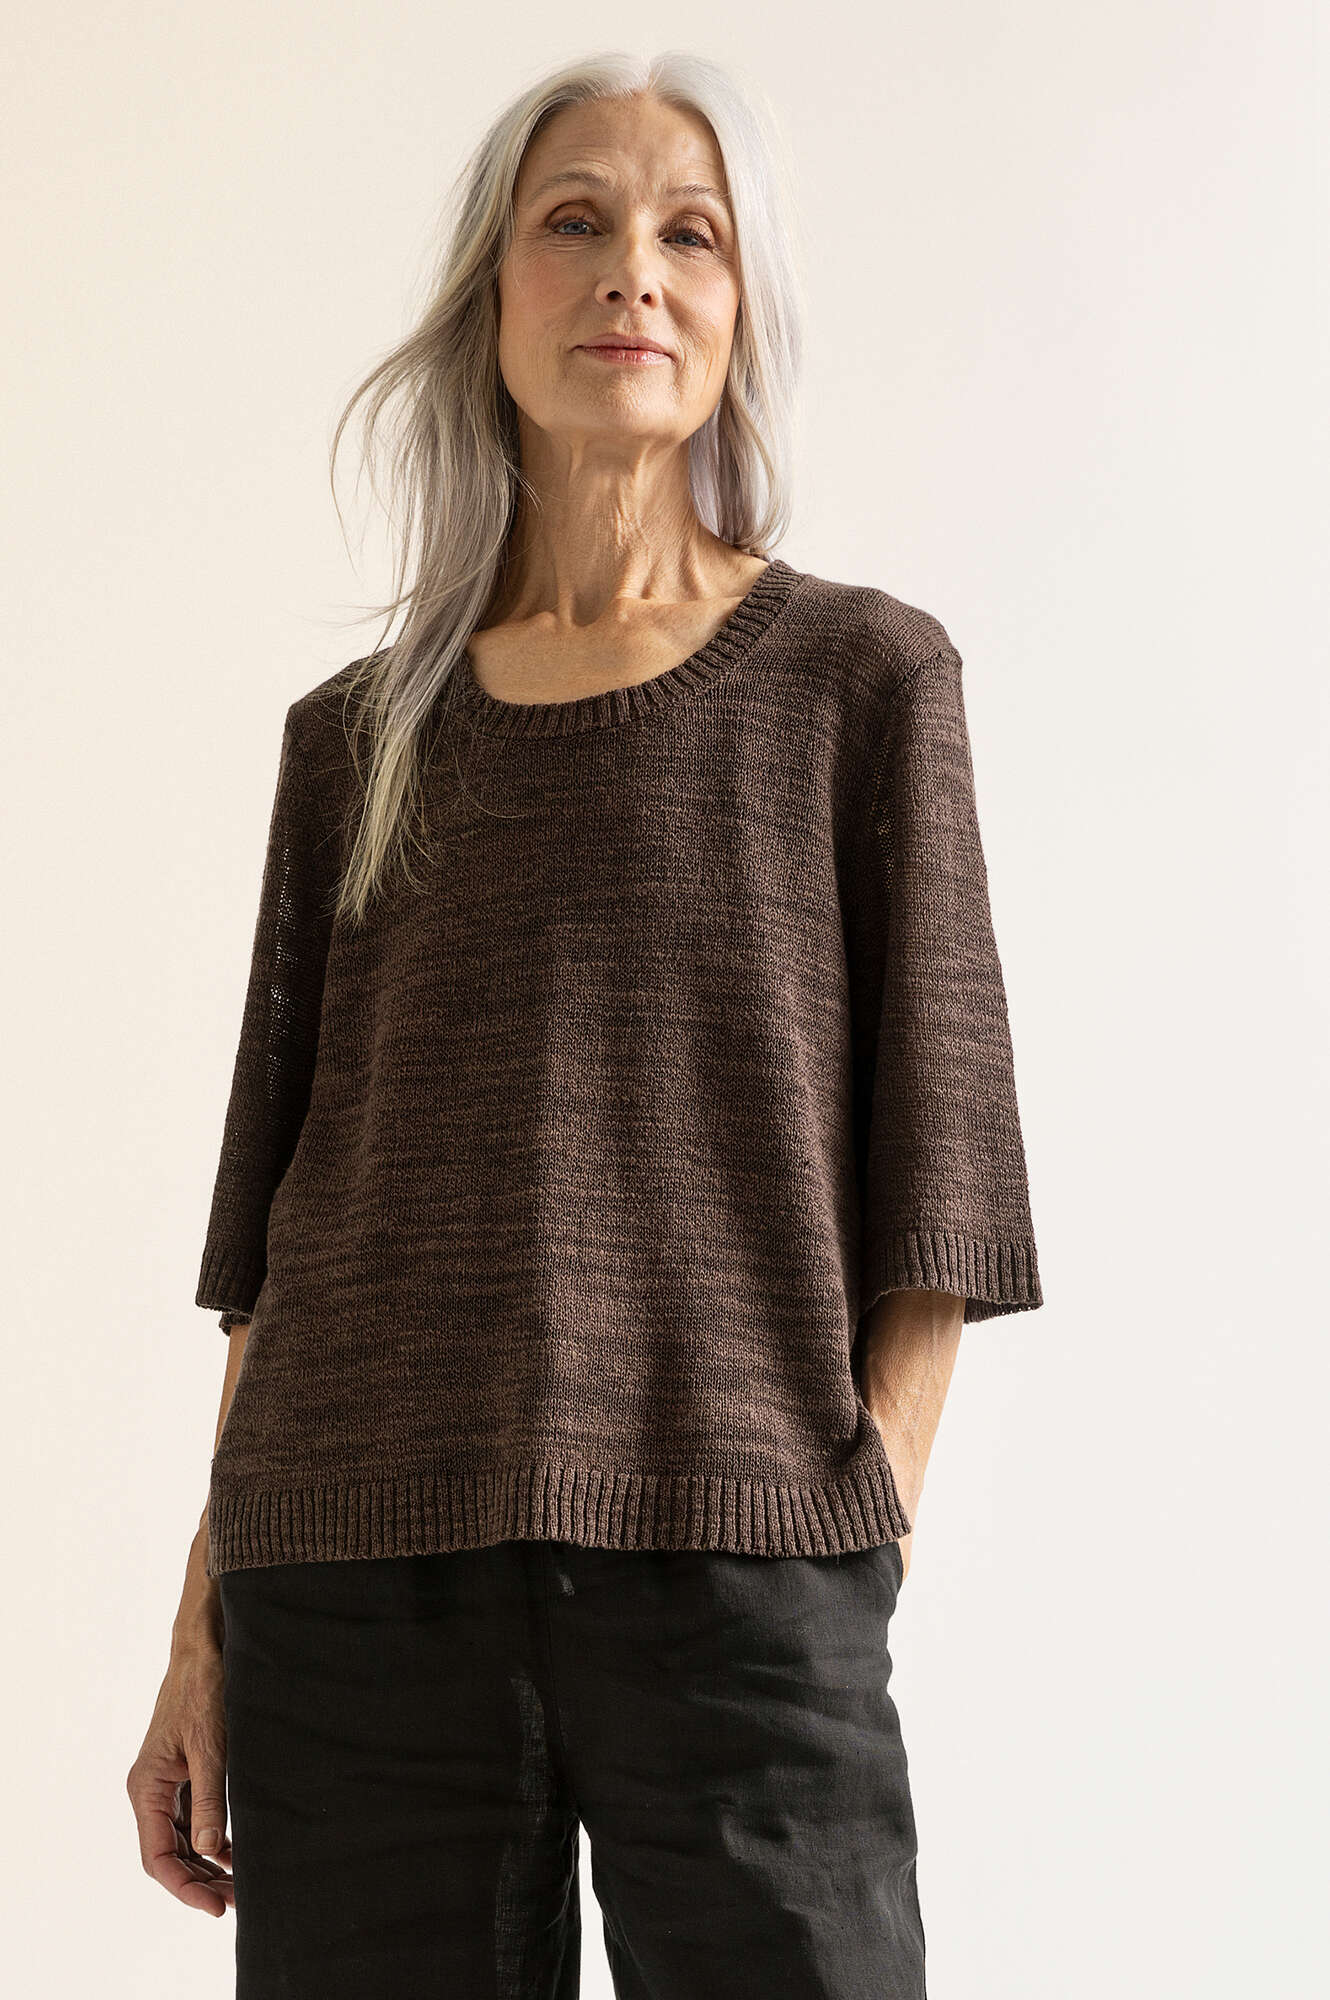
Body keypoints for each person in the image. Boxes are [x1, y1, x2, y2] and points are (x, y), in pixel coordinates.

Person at [127, 49, 1043, 1999]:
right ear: (492, 297)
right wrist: (201, 1626)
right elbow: (274, 1241)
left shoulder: (861, 683)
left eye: (688, 233)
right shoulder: (356, 740)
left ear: (738, 309)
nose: (634, 268)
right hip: (353, 1586)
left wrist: (857, 1520)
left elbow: (945, 1169)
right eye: (576, 221)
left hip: (739, 1569)